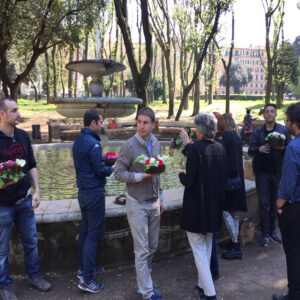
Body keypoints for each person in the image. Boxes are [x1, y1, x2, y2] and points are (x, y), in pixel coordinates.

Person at [0, 98, 51, 300]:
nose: (18, 113)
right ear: (2, 114)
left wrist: (37, 190)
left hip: (24, 201)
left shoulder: (22, 135)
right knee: (2, 251)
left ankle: (34, 276)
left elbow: (31, 164)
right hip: (2, 206)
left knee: (31, 243)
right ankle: (5, 285)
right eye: (14, 111)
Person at [114, 107, 164, 300]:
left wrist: (161, 197)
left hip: (153, 202)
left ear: (153, 124)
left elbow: (157, 173)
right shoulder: (129, 145)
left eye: (145, 122)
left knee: (152, 247)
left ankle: (145, 284)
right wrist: (139, 176)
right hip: (136, 203)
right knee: (142, 250)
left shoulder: (157, 143)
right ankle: (147, 292)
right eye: (139, 122)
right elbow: (118, 173)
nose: (141, 126)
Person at [179, 112, 226, 300]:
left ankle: (210, 294)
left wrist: (180, 174)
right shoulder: (220, 148)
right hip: (213, 207)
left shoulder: (195, 149)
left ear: (199, 129)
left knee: (199, 251)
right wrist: (188, 146)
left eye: (195, 126)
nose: (195, 129)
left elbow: (189, 180)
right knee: (205, 248)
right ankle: (201, 286)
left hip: (197, 209)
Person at [72, 109, 114, 293]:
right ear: (92, 124)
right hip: (94, 193)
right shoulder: (94, 144)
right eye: (100, 122)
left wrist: (102, 163)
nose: (102, 124)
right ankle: (87, 279)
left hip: (83, 192)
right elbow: (100, 170)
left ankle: (83, 269)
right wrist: (113, 167)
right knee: (93, 235)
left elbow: (88, 165)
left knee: (85, 231)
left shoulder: (78, 141)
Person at [248, 103, 291, 247]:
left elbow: (290, 150)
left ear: (276, 114)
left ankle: (272, 232)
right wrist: (258, 149)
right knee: (263, 203)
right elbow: (250, 151)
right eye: (267, 112)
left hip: (277, 173)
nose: (270, 114)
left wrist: (281, 147)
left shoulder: (283, 130)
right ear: (264, 115)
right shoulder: (258, 132)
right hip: (261, 173)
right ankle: (265, 233)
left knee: (275, 204)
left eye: (272, 111)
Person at [272, 102, 300, 300]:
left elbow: (288, 185)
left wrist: (279, 205)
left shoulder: (293, 147)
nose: (286, 124)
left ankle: (294, 295)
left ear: (295, 123)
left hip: (293, 208)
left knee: (293, 252)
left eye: (287, 121)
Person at [220, 114, 247, 259]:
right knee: (234, 212)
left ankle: (236, 245)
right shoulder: (236, 136)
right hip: (238, 180)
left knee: (225, 211)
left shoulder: (226, 137)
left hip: (229, 180)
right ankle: (233, 241)